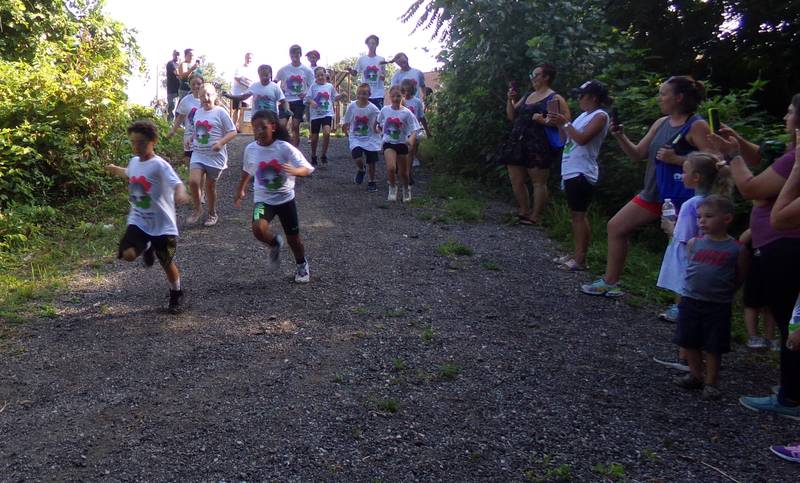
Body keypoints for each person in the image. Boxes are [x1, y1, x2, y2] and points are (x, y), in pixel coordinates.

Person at [581, 76, 715, 298]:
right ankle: (610, 282)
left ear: (679, 97)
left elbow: (715, 160)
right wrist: (620, 136)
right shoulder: (661, 123)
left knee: (681, 245)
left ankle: (683, 303)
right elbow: (637, 154)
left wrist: (678, 160)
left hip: (682, 197)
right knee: (616, 227)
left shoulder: (697, 125)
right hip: (653, 192)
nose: (659, 98)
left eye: (663, 94)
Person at [709, 96, 800, 418]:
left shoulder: (796, 160)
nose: (786, 115)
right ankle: (791, 388)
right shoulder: (790, 155)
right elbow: (760, 159)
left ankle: (791, 397)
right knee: (789, 317)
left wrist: (732, 155)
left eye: (790, 111)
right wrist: (739, 145)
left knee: (793, 321)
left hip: (785, 246)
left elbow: (750, 188)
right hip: (776, 245)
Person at [104, 120, 190, 313]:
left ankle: (176, 293)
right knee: (128, 255)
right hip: (139, 220)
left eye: (142, 142)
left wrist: (181, 192)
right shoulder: (134, 162)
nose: (137, 147)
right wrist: (115, 169)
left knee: (166, 262)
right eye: (133, 142)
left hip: (161, 225)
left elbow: (176, 183)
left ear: (153, 141)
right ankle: (146, 246)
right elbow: (130, 173)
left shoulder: (160, 165)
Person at [671, 195, 745, 401]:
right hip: (691, 300)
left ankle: (712, 382)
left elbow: (740, 275)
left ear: (727, 219)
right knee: (690, 340)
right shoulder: (695, 243)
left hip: (717, 304)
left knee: (713, 345)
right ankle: (695, 375)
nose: (701, 221)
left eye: (708, 216)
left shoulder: (735, 248)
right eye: (699, 217)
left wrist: (727, 291)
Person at [235, 109, 314, 283]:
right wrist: (240, 189)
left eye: (263, 127)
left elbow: (307, 168)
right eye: (255, 128)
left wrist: (295, 171)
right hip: (263, 201)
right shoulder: (251, 149)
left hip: (285, 200)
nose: (259, 132)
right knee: (257, 228)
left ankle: (302, 265)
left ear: (273, 127)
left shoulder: (284, 148)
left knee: (294, 240)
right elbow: (247, 170)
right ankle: (274, 243)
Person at [656, 152, 732, 321]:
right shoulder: (712, 201)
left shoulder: (691, 204)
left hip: (688, 251)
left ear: (696, 177)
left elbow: (683, 236)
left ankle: (679, 308)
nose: (682, 176)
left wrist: (669, 227)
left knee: (683, 279)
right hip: (704, 250)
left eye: (684, 172)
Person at [547, 80, 610, 271]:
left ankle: (581, 259)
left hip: (583, 171)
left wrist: (564, 122)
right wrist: (559, 124)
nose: (578, 99)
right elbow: (565, 139)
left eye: (581, 95)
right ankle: (576, 254)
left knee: (579, 215)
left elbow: (582, 139)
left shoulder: (600, 116)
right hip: (570, 169)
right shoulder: (583, 115)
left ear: (593, 97)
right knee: (575, 215)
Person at [503, 63, 570, 225]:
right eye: (531, 75)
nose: (532, 78)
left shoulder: (555, 98)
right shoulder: (528, 96)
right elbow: (512, 116)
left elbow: (567, 122)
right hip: (518, 141)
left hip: (539, 144)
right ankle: (523, 210)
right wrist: (510, 99)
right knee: (515, 179)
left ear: (546, 77)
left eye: (536, 75)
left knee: (538, 182)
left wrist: (544, 121)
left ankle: (535, 216)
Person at [188, 83, 237, 227]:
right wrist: (191, 138)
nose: (205, 97)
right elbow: (196, 130)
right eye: (202, 95)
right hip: (198, 153)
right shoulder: (197, 112)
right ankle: (197, 209)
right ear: (199, 97)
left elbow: (233, 131)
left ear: (214, 95)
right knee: (193, 182)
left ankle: (212, 213)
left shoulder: (220, 112)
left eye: (209, 94)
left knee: (210, 187)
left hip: (215, 157)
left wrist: (221, 143)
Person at [378, 85, 419, 202]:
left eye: (398, 96)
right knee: (391, 168)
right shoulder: (385, 110)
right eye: (393, 96)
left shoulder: (407, 113)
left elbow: (415, 129)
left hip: (402, 144)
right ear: (389, 97)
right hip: (388, 143)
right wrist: (378, 130)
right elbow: (378, 123)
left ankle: (406, 188)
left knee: (403, 173)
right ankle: (392, 187)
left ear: (403, 96)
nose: (396, 98)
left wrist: (411, 139)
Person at [740, 228, 778, 350]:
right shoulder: (756, 225)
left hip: (775, 272)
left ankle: (770, 338)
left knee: (771, 306)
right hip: (755, 272)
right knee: (751, 305)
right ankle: (753, 336)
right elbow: (742, 240)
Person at [342, 83, 382, 192]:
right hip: (356, 137)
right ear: (357, 94)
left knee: (371, 161)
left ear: (369, 94)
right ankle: (361, 169)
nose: (361, 96)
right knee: (357, 157)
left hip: (370, 137)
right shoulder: (352, 106)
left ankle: (372, 181)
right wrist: (344, 128)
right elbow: (347, 119)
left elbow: (380, 119)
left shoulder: (373, 109)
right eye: (359, 93)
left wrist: (379, 129)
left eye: (364, 94)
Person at [275, 45, 315, 148]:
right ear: (290, 55)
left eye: (297, 54)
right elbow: (274, 82)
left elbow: (313, 87)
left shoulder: (307, 70)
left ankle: (295, 150)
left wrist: (306, 94)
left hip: (299, 101)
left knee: (295, 126)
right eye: (292, 54)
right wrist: (279, 93)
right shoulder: (284, 69)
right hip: (286, 100)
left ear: (300, 55)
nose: (295, 57)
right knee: (282, 125)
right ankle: (283, 146)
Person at [305, 66, 342, 166]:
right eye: (318, 76)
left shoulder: (329, 86)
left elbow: (335, 97)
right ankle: (313, 155)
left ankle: (323, 154)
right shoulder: (313, 86)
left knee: (326, 133)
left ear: (325, 75)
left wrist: (342, 95)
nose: (320, 77)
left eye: (322, 75)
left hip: (327, 113)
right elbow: (307, 98)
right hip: (315, 115)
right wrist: (312, 101)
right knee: (314, 137)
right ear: (315, 77)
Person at [400, 78, 432, 177]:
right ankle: (405, 169)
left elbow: (421, 117)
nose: (407, 93)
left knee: (413, 147)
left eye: (409, 90)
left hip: (414, 129)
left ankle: (410, 165)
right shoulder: (400, 101)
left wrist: (427, 131)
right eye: (404, 90)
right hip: (404, 130)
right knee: (406, 149)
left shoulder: (417, 102)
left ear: (412, 90)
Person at [352, 35, 386, 109]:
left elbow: (383, 75)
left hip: (378, 94)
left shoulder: (381, 59)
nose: (371, 45)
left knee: (377, 117)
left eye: (373, 43)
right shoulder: (361, 59)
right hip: (364, 94)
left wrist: (383, 77)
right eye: (369, 43)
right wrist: (350, 71)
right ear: (367, 44)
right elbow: (355, 73)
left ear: (377, 44)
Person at [232, 52, 256, 131]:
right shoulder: (239, 68)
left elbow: (253, 82)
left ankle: (242, 127)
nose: (249, 60)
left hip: (247, 95)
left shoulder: (253, 70)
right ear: (245, 58)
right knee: (236, 109)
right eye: (247, 58)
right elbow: (237, 78)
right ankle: (233, 126)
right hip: (237, 93)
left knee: (245, 110)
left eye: (250, 58)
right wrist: (246, 84)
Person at [166, 50, 180, 121]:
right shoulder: (170, 63)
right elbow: (177, 73)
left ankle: (177, 125)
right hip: (172, 90)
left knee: (179, 109)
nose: (177, 56)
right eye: (175, 54)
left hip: (179, 90)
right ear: (173, 55)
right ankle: (170, 124)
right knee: (172, 108)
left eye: (178, 54)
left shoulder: (179, 65)